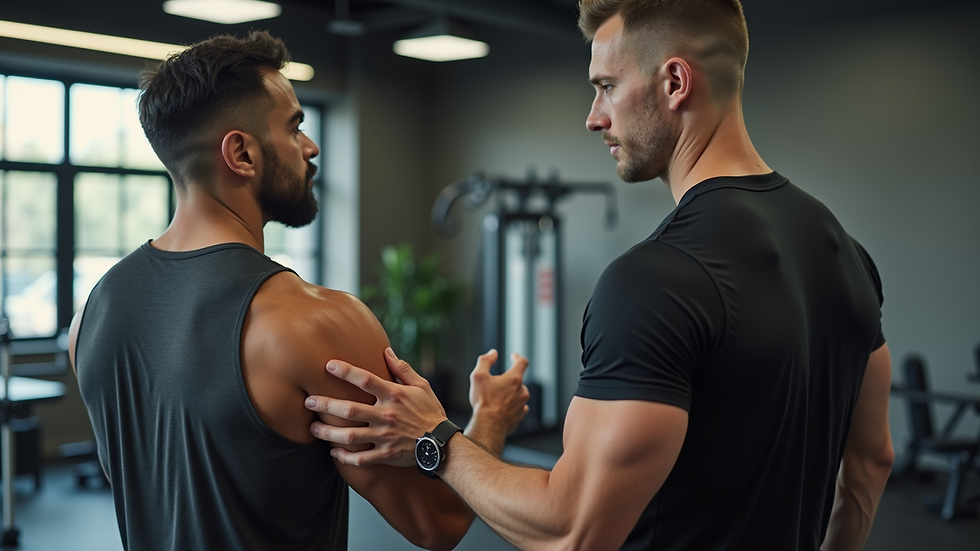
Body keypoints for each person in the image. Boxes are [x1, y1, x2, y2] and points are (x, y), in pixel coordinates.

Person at [303, 1, 895, 550]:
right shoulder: (847, 254)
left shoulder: (656, 279)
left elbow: (572, 531)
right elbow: (871, 464)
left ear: (674, 83)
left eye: (607, 87)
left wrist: (436, 439)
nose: (594, 118)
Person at [68, 31, 530, 551]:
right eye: (295, 128)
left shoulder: (94, 311)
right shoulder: (314, 323)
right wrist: (491, 417)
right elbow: (438, 522)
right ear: (240, 153)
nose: (311, 149)